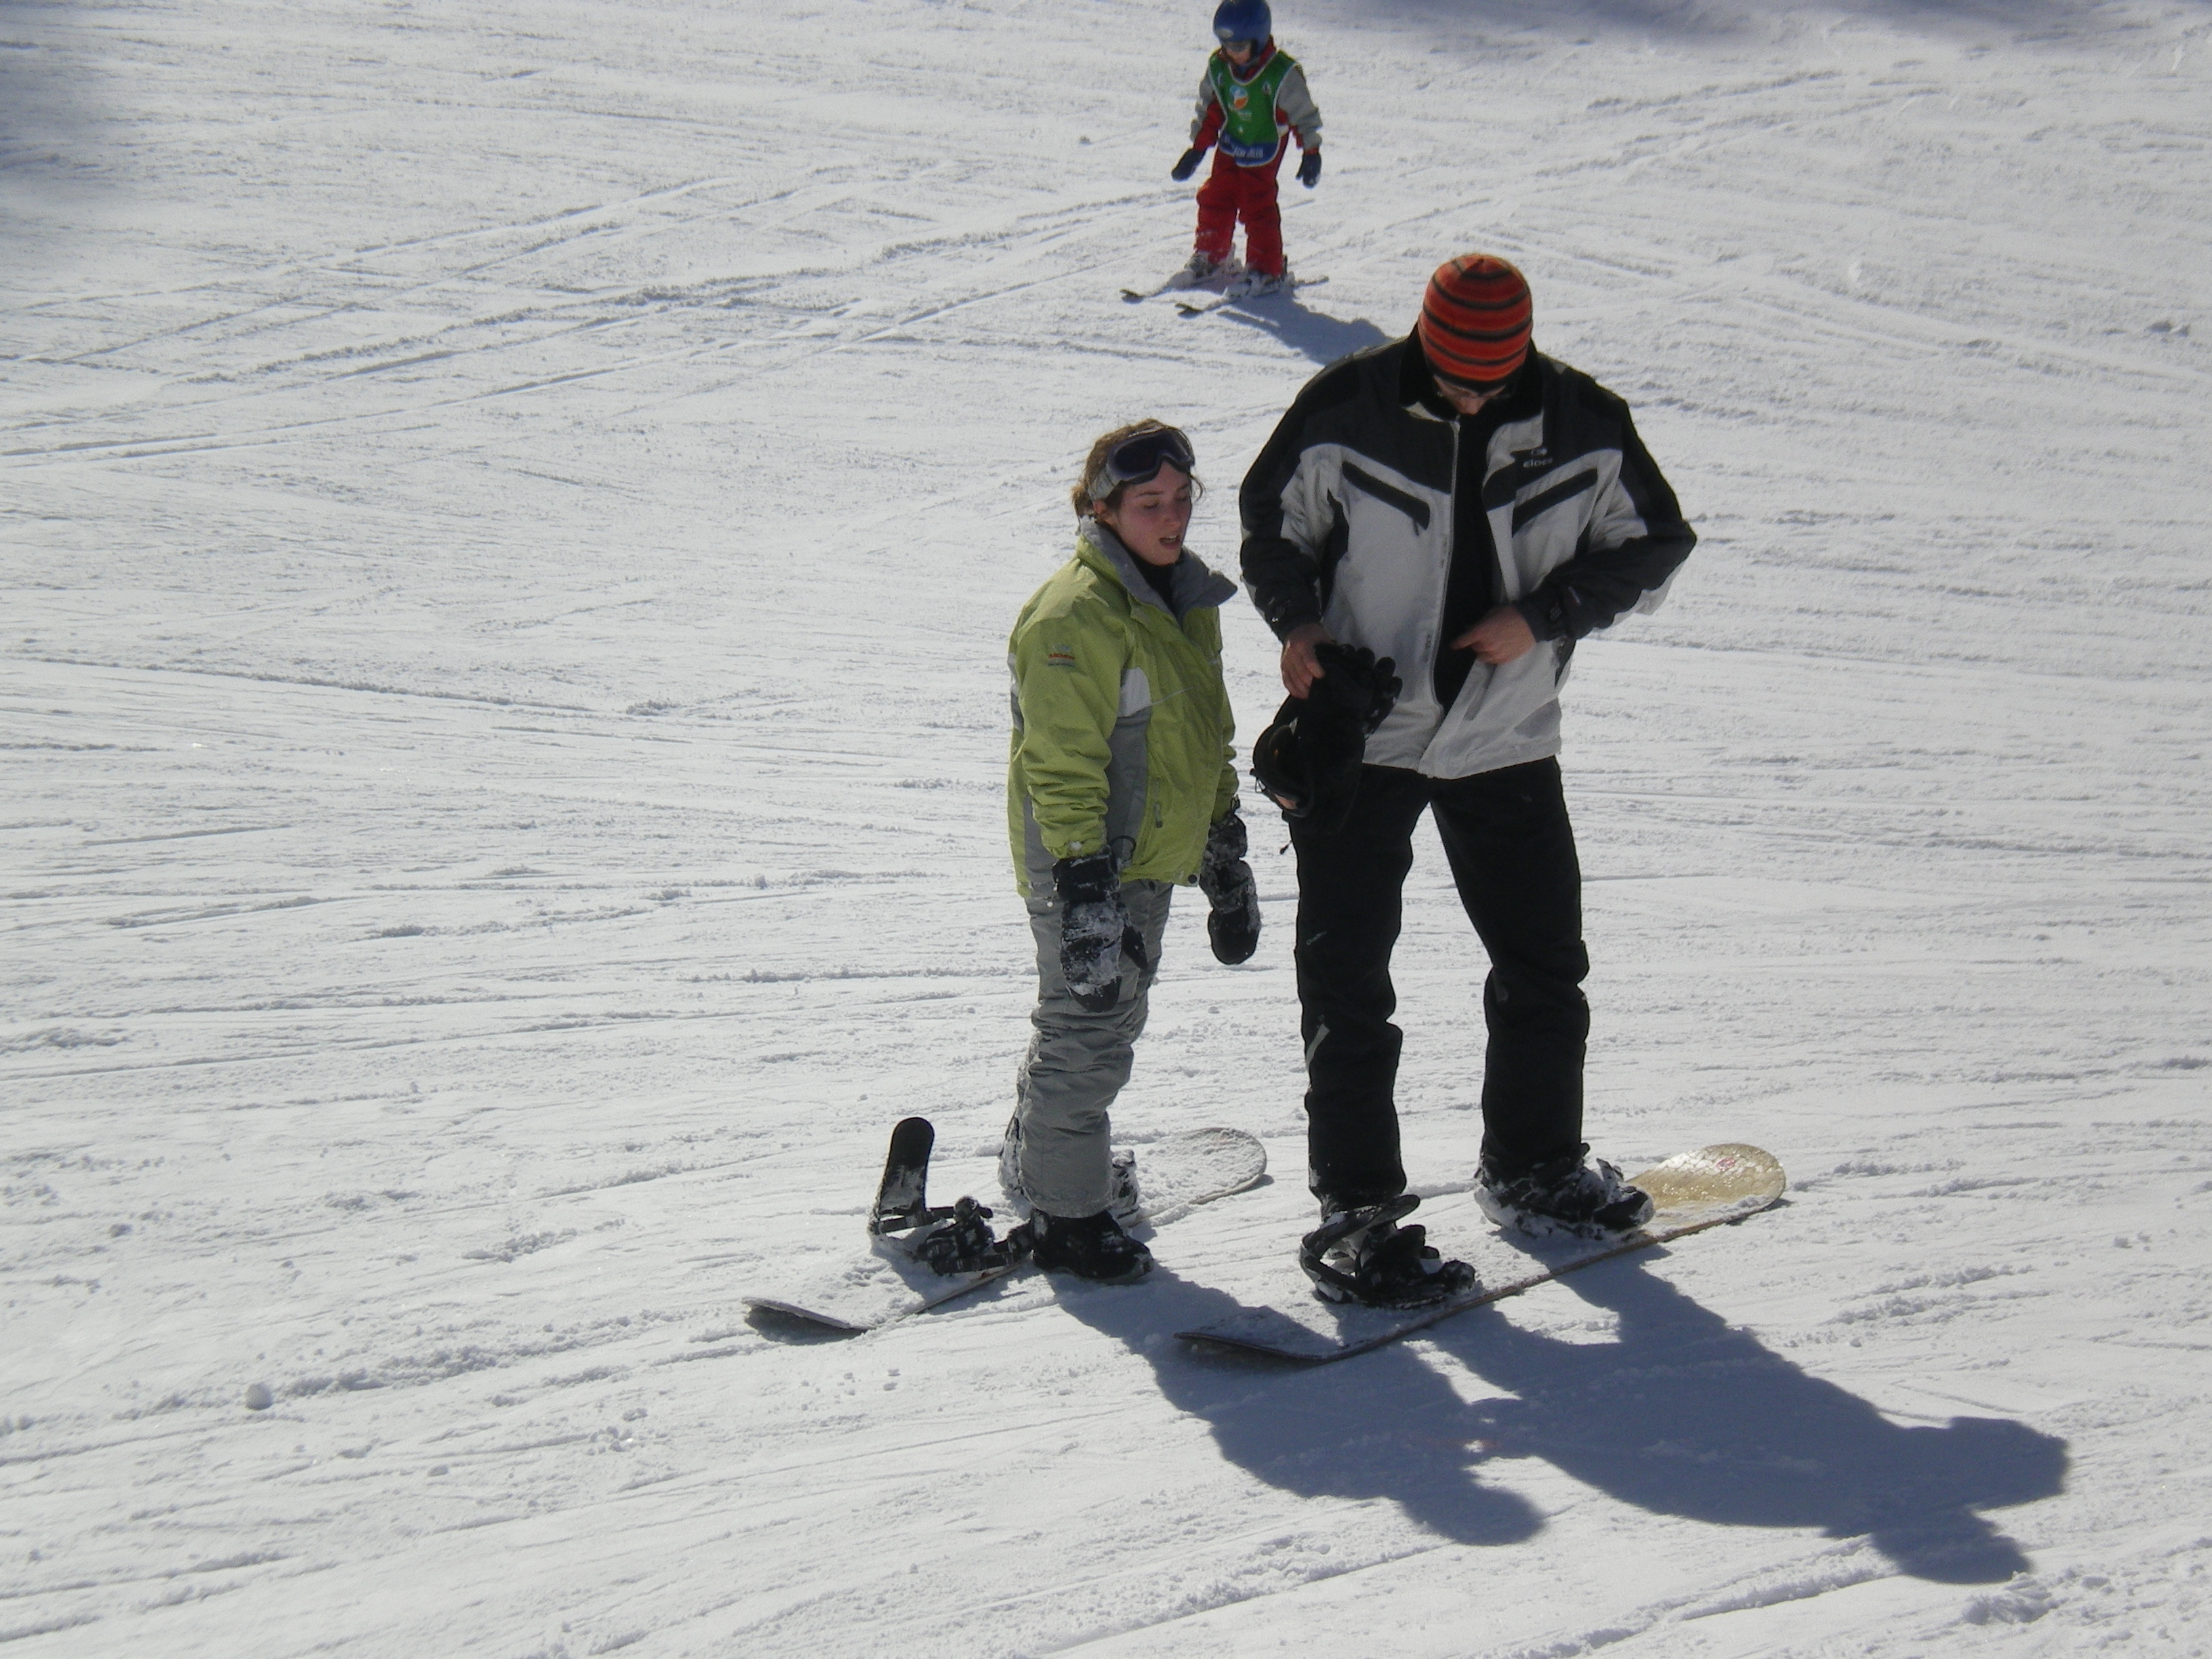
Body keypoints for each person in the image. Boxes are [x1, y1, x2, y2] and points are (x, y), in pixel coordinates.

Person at [1237, 252, 1698, 1307]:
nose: (1474, 398)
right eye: (1455, 379)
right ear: (1424, 342)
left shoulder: (1583, 423)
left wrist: (1542, 616)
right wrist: (1299, 626)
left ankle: (1533, 1167)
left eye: (1494, 381)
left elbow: (1653, 545)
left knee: (1544, 967)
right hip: (1365, 734)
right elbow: (1274, 529)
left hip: (1507, 736)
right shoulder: (1348, 407)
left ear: (1523, 354)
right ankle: (1357, 1216)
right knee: (1347, 983)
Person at [999, 422, 1262, 1283]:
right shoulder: (1073, 615)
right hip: (1089, 862)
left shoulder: (1185, 599)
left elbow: (1208, 735)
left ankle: (1039, 1161)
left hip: (1145, 858)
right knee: (1089, 1033)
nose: (1173, 517)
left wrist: (1222, 849)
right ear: (1103, 510)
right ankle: (1067, 1217)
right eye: (1150, 503)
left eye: (1182, 499)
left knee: (1102, 1020)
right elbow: (1060, 763)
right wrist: (1083, 886)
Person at [1169, 0, 1322, 295]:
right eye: (1226, 45)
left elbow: (1303, 115)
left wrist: (1311, 152)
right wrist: (1197, 149)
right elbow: (1211, 109)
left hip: (1263, 148)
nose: (1232, 53)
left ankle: (1267, 268)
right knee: (1216, 196)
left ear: (1259, 38)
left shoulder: (1280, 74)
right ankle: (1212, 255)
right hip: (1231, 143)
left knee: (1257, 206)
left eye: (1239, 46)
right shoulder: (1220, 68)